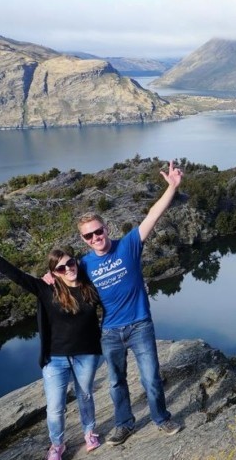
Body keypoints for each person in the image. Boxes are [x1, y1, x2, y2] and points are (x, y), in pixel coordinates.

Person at [76, 159, 184, 445]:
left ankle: (161, 418)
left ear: (106, 228)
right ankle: (124, 424)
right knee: (115, 382)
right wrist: (50, 276)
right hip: (110, 331)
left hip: (139, 325)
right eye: (89, 235)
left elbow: (153, 215)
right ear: (84, 240)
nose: (96, 237)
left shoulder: (128, 245)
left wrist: (172, 188)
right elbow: (62, 274)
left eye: (98, 231)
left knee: (151, 378)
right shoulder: (84, 264)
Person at [0, 236, 102, 460]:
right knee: (55, 407)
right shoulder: (46, 290)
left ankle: (89, 433)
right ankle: (57, 444)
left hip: (86, 354)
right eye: (61, 268)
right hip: (56, 359)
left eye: (70, 263)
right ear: (54, 272)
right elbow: (18, 277)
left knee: (85, 396)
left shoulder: (91, 287)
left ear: (76, 262)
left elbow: (112, 296)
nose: (68, 269)